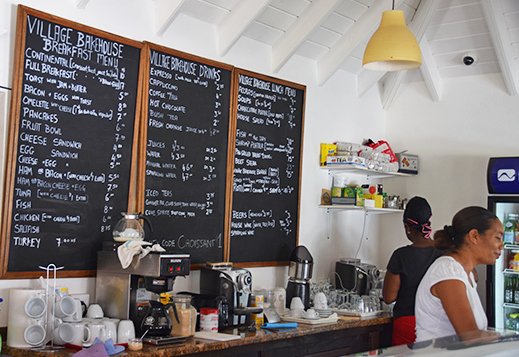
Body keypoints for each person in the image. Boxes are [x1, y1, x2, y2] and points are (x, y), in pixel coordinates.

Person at [415, 206, 503, 342]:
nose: (501, 246)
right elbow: (470, 336)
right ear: (474, 236)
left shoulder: (468, 274)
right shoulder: (447, 272)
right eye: (498, 238)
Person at [383, 196, 443, 345]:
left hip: (408, 323)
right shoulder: (444, 253)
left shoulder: (400, 256)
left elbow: (388, 297)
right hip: (437, 323)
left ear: (407, 227)